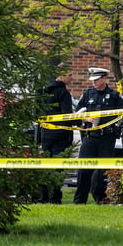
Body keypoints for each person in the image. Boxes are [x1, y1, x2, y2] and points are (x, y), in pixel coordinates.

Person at [73, 67, 123, 204]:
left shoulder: (114, 96)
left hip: (106, 138)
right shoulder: (87, 94)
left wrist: (117, 128)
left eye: (96, 80)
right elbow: (76, 114)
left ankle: (101, 199)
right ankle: (79, 200)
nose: (94, 83)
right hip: (90, 136)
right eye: (92, 80)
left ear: (104, 79)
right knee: (84, 170)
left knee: (104, 172)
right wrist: (85, 119)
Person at [38, 63, 74, 204]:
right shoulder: (63, 93)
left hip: (46, 134)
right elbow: (66, 116)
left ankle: (43, 197)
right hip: (60, 136)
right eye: (69, 75)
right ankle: (55, 198)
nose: (71, 78)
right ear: (61, 76)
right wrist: (79, 121)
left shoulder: (43, 91)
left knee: (46, 167)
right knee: (58, 169)